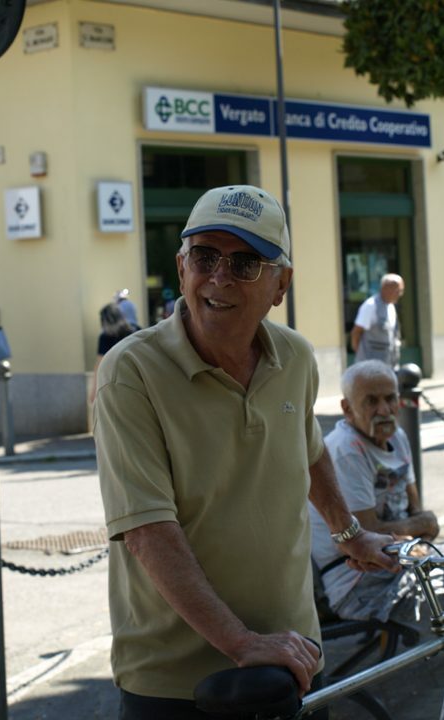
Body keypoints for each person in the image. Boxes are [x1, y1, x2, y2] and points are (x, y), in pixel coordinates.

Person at [94, 184, 397, 720]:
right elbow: (147, 531)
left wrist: (349, 534)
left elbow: (308, 452)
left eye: (245, 263)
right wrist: (242, 642)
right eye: (204, 257)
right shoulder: (130, 371)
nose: (220, 277)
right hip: (179, 682)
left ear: (281, 284)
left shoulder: (295, 357)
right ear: (182, 267)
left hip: (294, 657)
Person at [310, 360, 444, 628]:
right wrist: (419, 526)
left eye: (390, 399)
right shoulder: (347, 449)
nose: (384, 410)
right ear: (347, 409)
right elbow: (368, 534)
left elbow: (419, 514)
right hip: (359, 583)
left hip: (404, 556)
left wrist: (418, 528)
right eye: (371, 401)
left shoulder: (397, 437)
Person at [351, 274, 404, 369]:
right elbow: (356, 332)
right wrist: (362, 357)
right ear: (385, 289)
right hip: (370, 367)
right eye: (398, 291)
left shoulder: (391, 307)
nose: (400, 294)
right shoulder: (370, 306)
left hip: (388, 365)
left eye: (401, 291)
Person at [89, 303, 133, 403]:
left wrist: (94, 390)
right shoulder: (134, 331)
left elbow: (99, 364)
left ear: (105, 321)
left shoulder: (105, 337)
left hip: (114, 382)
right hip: (133, 378)